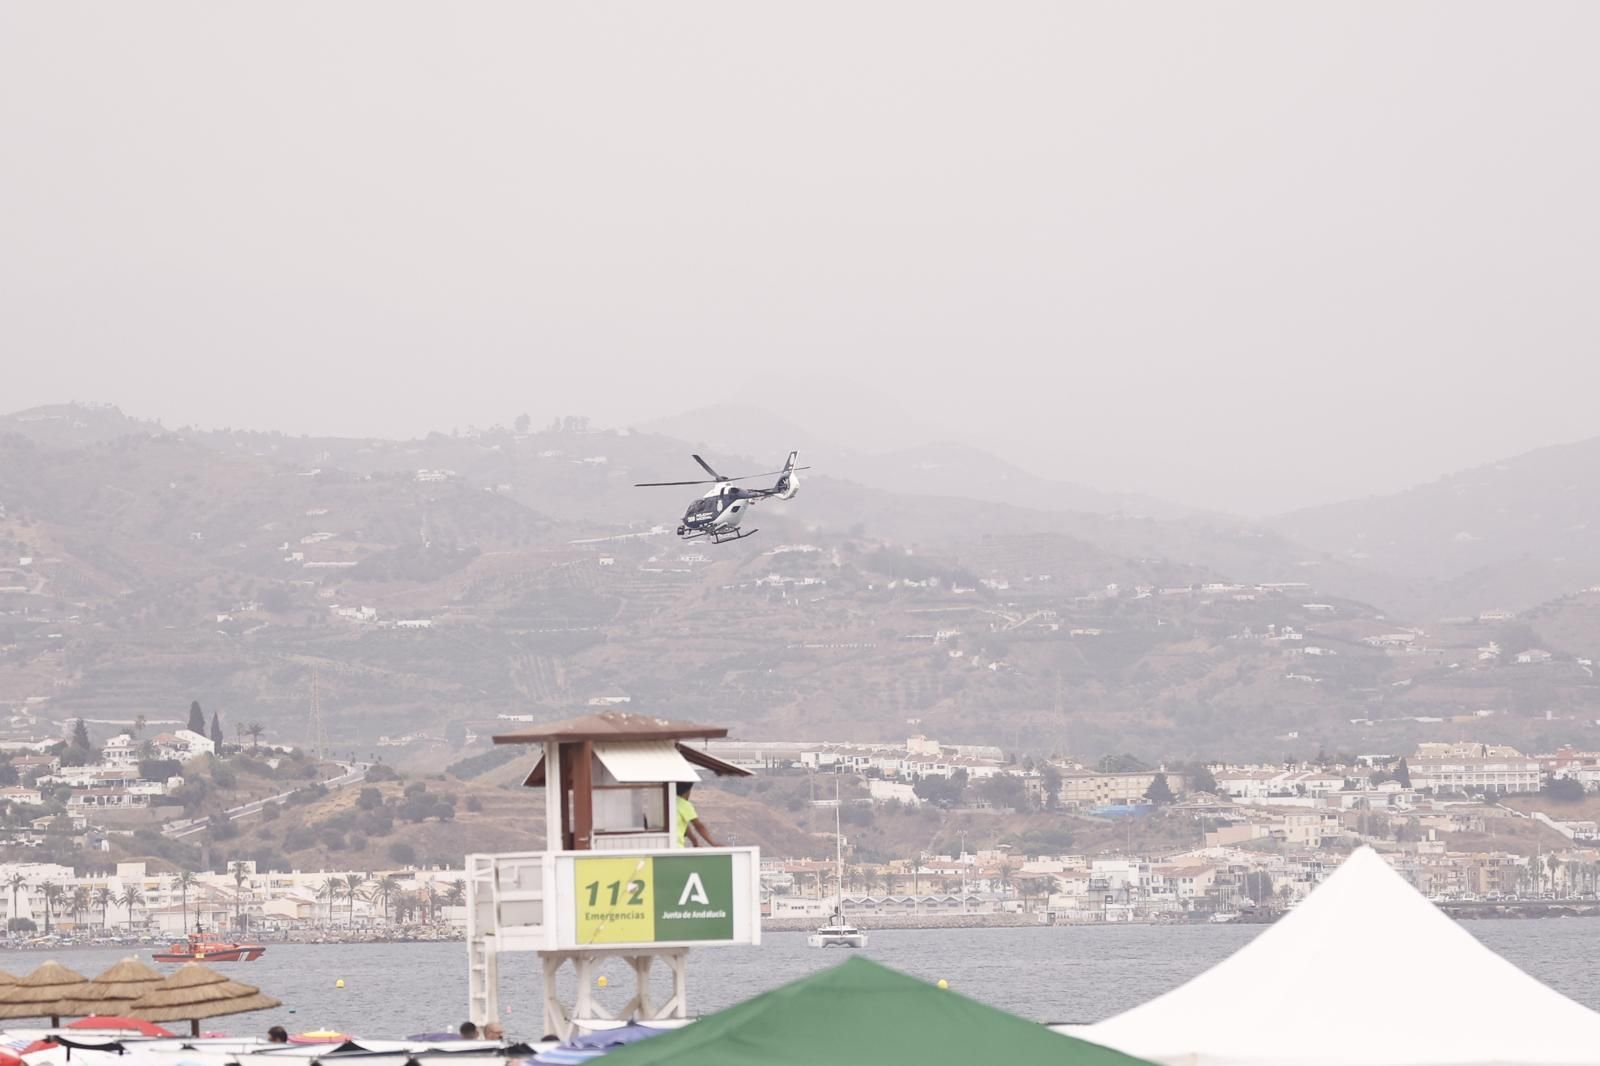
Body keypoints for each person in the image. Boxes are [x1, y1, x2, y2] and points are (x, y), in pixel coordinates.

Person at [675, 781, 718, 847]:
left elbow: (683, 825)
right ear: (688, 791)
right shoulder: (684, 804)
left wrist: (694, 841)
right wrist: (714, 844)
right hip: (676, 847)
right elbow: (699, 826)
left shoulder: (668, 801)